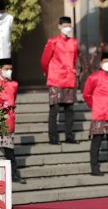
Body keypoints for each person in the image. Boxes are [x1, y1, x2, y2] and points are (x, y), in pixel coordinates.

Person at [83, 52, 108, 176]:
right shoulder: (93, 77)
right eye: (105, 61)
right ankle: (94, 168)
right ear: (100, 63)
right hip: (99, 115)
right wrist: (94, 105)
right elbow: (86, 94)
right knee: (96, 142)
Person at [0, 58, 26, 184]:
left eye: (10, 69)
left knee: (10, 152)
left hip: (9, 122)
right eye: (6, 69)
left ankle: (14, 175)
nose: (9, 71)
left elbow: (13, 100)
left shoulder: (14, 84)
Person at [41, 16, 79, 145]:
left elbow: (74, 59)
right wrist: (48, 73)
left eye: (69, 25)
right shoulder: (53, 41)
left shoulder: (74, 42)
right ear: (59, 26)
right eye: (65, 25)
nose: (67, 28)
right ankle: (53, 138)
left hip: (69, 79)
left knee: (69, 110)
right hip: (55, 79)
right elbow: (44, 60)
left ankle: (69, 136)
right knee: (54, 110)